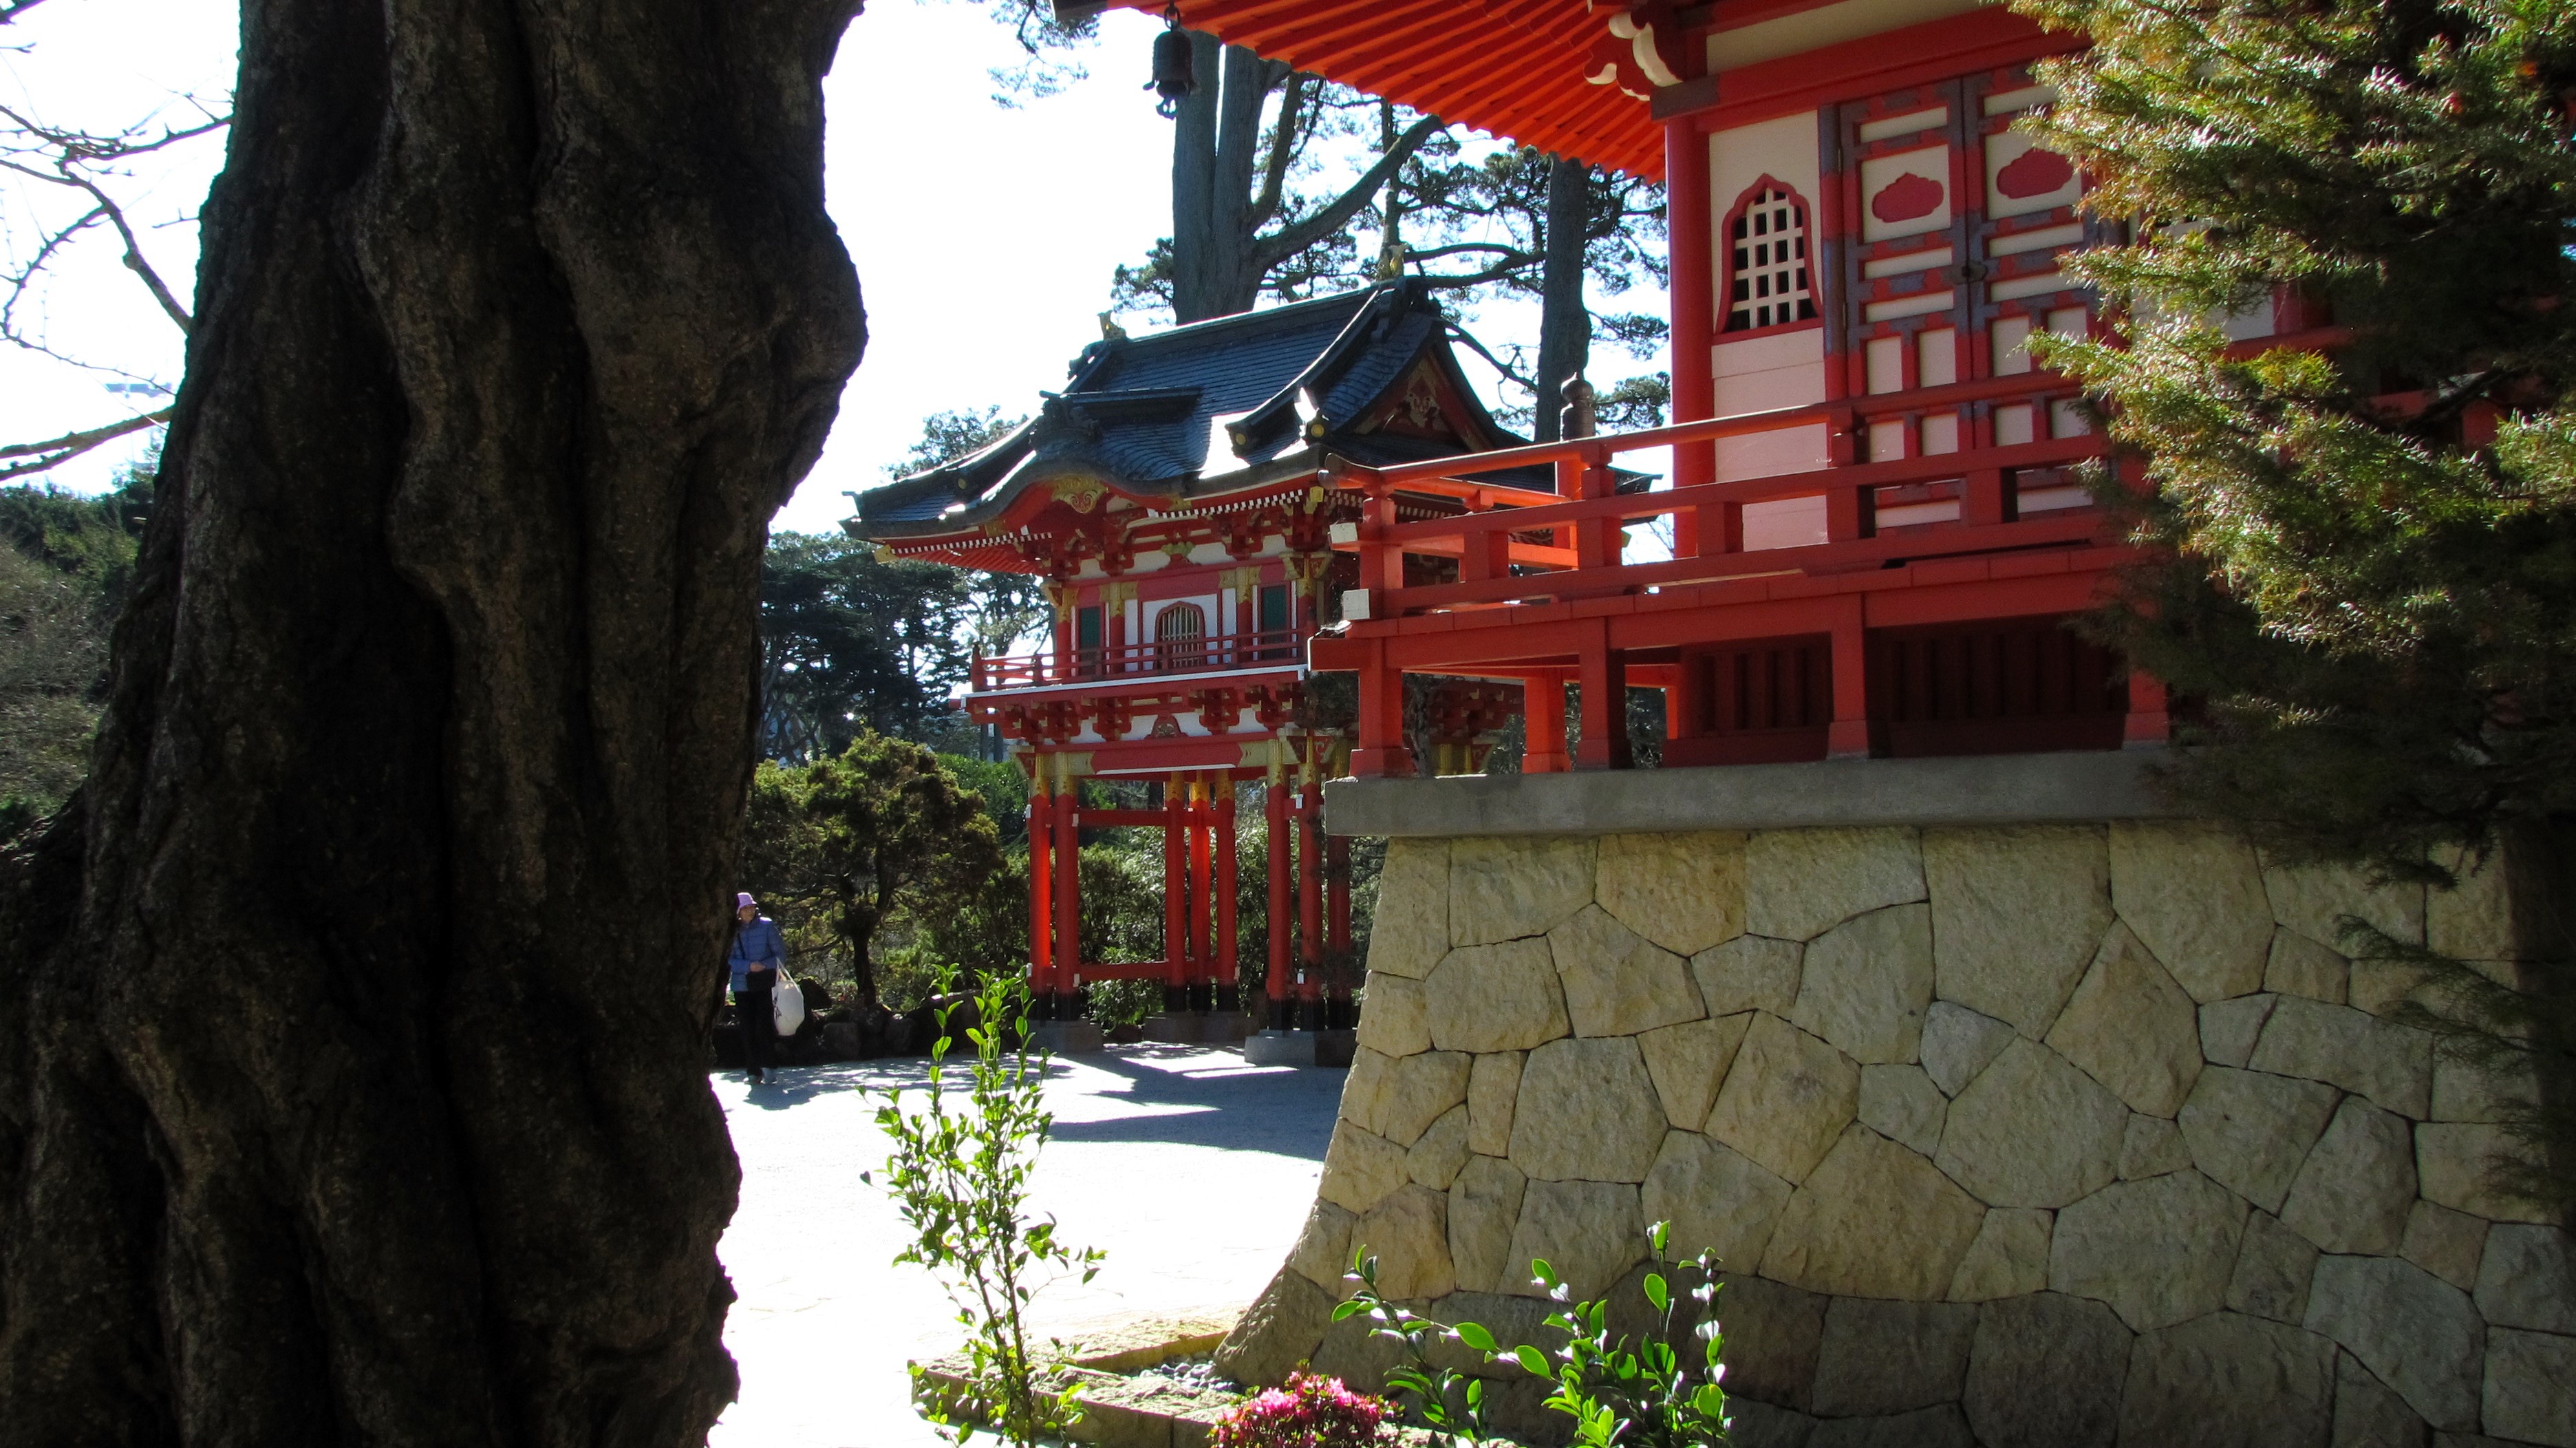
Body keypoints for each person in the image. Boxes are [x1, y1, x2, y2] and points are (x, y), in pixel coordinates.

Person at [727, 892, 786, 1083]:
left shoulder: (767, 926)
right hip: (742, 985)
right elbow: (726, 961)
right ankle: (753, 1071)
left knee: (765, 1025)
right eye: (745, 908)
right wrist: (747, 966)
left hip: (764, 983)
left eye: (752, 907)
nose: (749, 911)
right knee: (747, 1028)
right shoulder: (730, 931)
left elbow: (780, 956)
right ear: (738, 911)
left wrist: (763, 965)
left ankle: (769, 1067)